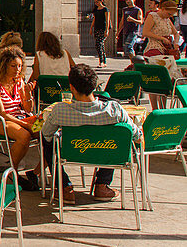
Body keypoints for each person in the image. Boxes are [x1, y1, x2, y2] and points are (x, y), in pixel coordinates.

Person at [37, 63, 140, 204]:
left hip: (73, 152)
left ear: (72, 88)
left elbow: (46, 134)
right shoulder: (114, 110)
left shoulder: (60, 111)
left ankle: (63, 186)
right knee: (117, 138)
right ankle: (102, 185)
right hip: (104, 151)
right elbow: (136, 135)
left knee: (47, 140)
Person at [0, 45, 37, 190]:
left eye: (19, 66)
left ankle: (37, 173)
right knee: (24, 136)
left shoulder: (18, 81)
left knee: (49, 133)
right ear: (4, 65)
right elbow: (1, 113)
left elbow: (27, 109)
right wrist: (25, 124)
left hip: (19, 117)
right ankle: (13, 172)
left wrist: (27, 95)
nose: (17, 69)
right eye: (13, 66)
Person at [89, 0, 109, 66]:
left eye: (97, 2)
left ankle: (101, 61)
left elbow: (107, 20)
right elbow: (94, 19)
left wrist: (107, 30)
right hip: (96, 28)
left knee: (99, 44)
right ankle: (104, 61)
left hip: (102, 28)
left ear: (101, 1)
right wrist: (91, 28)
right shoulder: (96, 10)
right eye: (95, 2)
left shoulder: (105, 9)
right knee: (100, 45)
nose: (96, 3)